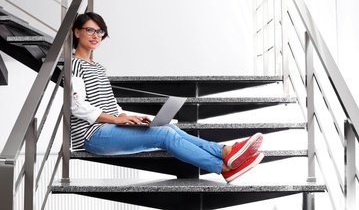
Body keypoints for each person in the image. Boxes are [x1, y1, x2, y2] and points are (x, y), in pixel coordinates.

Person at [70, 12, 264, 183]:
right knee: (164, 135)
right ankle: (223, 168)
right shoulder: (75, 64)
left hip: (109, 127)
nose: (96, 36)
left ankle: (225, 152)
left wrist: (127, 117)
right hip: (92, 135)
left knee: (169, 127)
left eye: (100, 32)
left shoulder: (99, 68)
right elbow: (77, 106)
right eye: (90, 30)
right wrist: (115, 119)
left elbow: (110, 103)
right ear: (77, 32)